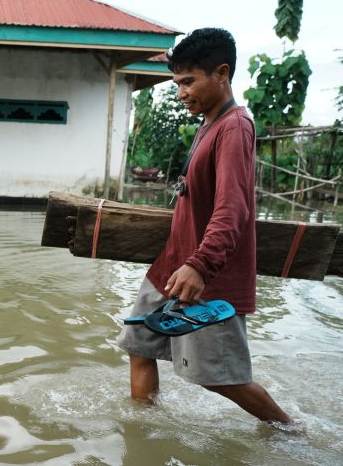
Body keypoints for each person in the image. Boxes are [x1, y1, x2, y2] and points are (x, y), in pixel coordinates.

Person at [116, 28, 292, 424]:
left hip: (203, 273)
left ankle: (289, 430)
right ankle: (144, 430)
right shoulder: (208, 125)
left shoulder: (234, 127)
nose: (181, 92)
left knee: (220, 379)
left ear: (222, 73)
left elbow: (233, 210)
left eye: (189, 81)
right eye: (177, 83)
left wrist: (200, 265)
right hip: (170, 268)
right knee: (140, 345)